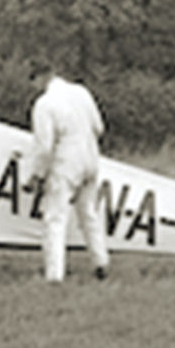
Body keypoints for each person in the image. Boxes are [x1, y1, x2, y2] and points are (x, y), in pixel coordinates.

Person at [24, 60, 110, 282]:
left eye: (33, 80)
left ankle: (54, 275)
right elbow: (99, 128)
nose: (33, 86)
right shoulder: (81, 92)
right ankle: (101, 262)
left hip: (66, 163)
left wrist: (36, 175)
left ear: (40, 78)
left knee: (55, 218)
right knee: (88, 214)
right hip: (90, 158)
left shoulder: (44, 104)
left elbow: (44, 147)